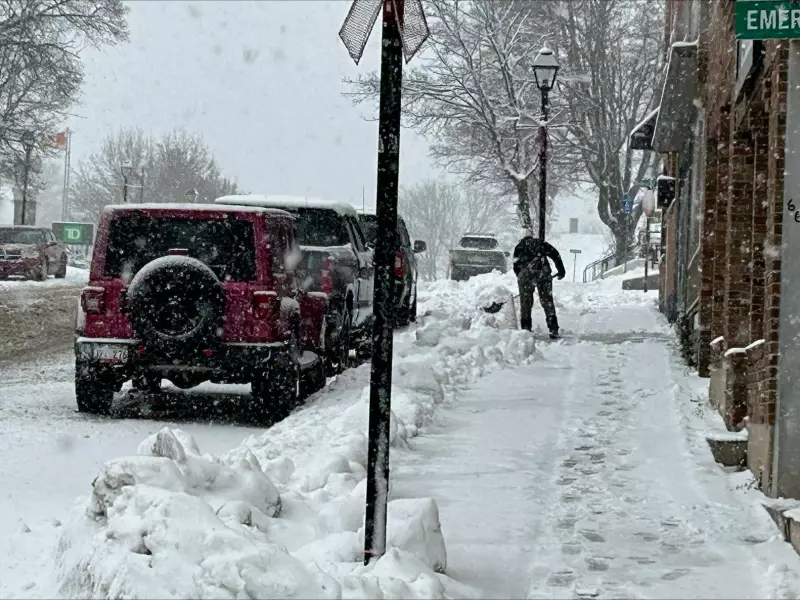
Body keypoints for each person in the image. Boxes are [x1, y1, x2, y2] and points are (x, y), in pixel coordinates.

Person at [512, 228, 566, 338]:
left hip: (526, 278)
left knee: (525, 303)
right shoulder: (540, 243)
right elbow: (555, 254)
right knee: (547, 301)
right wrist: (561, 270)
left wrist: (521, 277)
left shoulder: (519, 247)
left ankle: (526, 328)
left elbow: (515, 266)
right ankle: (553, 328)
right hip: (543, 275)